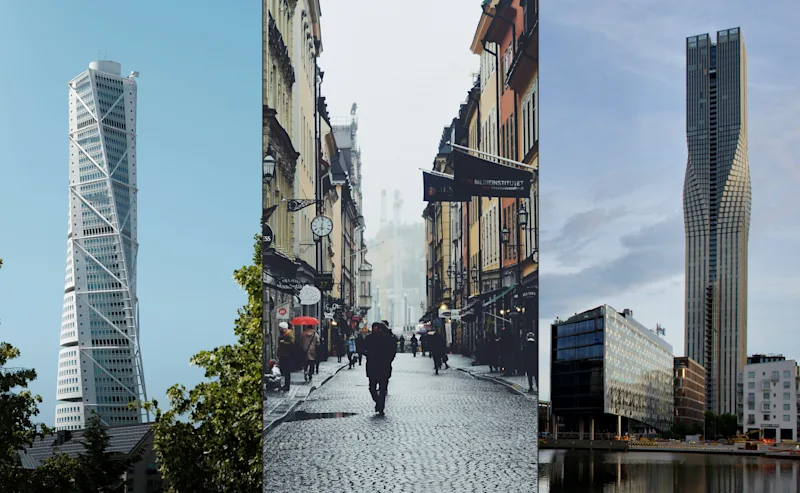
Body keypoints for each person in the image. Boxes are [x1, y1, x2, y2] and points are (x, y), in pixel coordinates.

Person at [364, 322, 396, 414]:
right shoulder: (369, 338)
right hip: (374, 366)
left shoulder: (388, 338)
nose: (374, 329)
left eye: (376, 328)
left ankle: (381, 406)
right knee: (372, 387)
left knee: (382, 388)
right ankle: (378, 402)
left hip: (382, 366)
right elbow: (363, 348)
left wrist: (388, 360)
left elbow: (392, 351)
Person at [277, 322, 295, 390]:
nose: (279, 329)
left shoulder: (289, 334)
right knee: (285, 370)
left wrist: (283, 342)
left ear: (283, 328)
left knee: (287, 371)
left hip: (287, 355)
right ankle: (286, 384)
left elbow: (292, 343)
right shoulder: (284, 334)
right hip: (284, 354)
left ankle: (287, 385)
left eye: (280, 328)